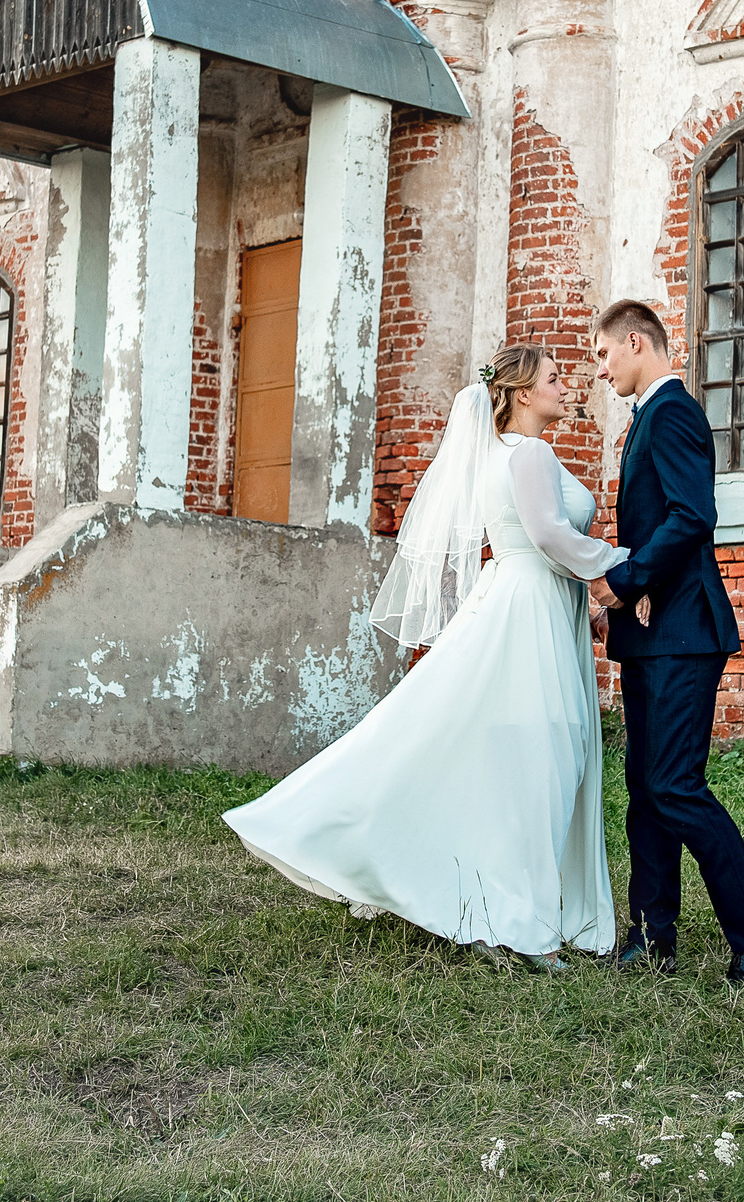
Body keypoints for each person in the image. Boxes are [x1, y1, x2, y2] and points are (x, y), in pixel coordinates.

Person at [223, 346, 622, 969]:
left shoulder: (499, 453)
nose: (564, 387)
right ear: (521, 393)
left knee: (524, 755)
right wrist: (620, 566)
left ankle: (503, 904)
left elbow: (533, 538)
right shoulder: (530, 453)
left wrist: (589, 606)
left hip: (528, 600)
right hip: (529, 608)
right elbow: (548, 535)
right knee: (545, 758)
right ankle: (521, 921)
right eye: (552, 378)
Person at [587, 298, 744, 986]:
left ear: (636, 342)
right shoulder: (645, 418)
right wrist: (628, 593)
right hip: (651, 634)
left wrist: (627, 580)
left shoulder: (673, 412)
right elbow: (656, 523)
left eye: (604, 353)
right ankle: (652, 936)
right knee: (645, 788)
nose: (600, 369)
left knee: (675, 784)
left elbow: (691, 516)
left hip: (683, 632)